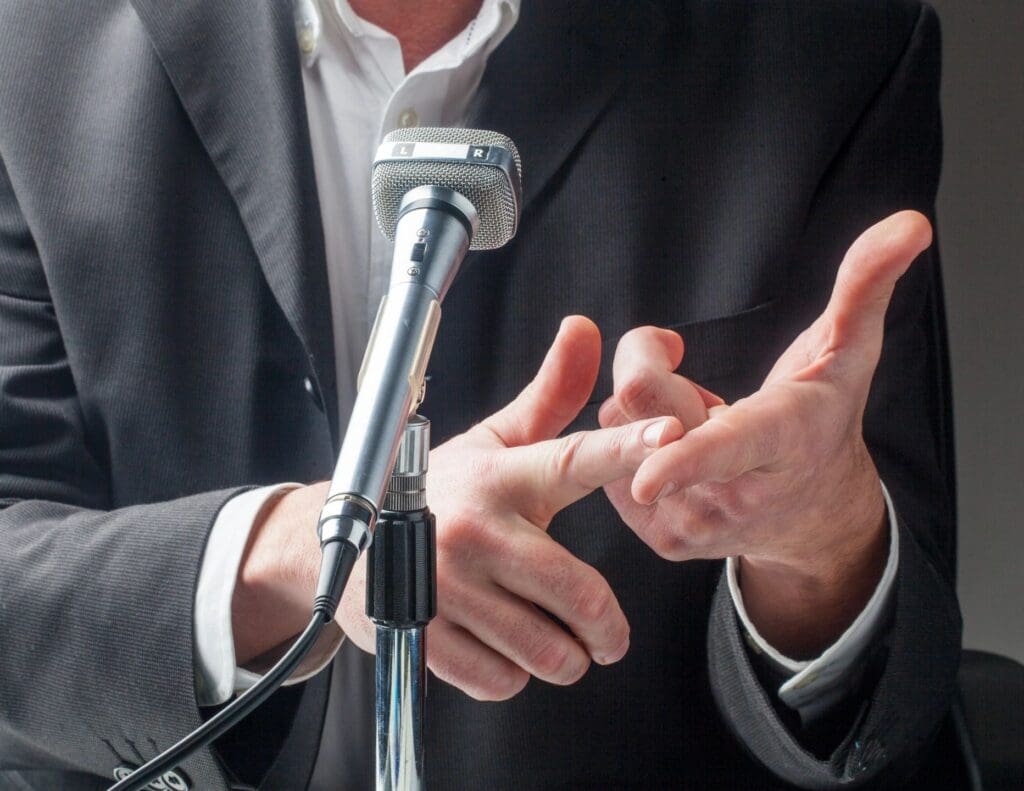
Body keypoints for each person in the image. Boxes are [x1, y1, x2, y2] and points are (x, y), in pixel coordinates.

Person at [0, 0, 961, 788]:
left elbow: (896, 691)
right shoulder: (29, 45)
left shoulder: (834, 44)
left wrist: (821, 544)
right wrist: (296, 551)